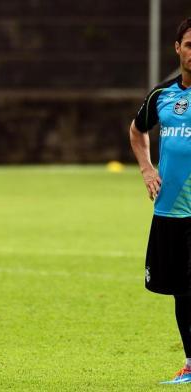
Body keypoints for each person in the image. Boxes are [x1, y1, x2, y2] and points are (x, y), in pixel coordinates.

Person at [130, 17, 191, 384]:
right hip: (170, 209)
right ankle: (190, 363)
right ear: (178, 48)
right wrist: (147, 170)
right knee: (182, 291)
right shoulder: (162, 96)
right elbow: (137, 131)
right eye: (189, 44)